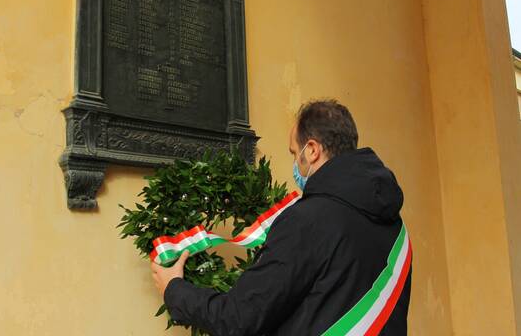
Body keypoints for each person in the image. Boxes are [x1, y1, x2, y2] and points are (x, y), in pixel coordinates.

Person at [150, 99, 412, 335]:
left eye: (293, 152)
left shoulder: (308, 220)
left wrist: (174, 289)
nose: (295, 163)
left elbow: (238, 318)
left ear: (311, 150)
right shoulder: (395, 226)